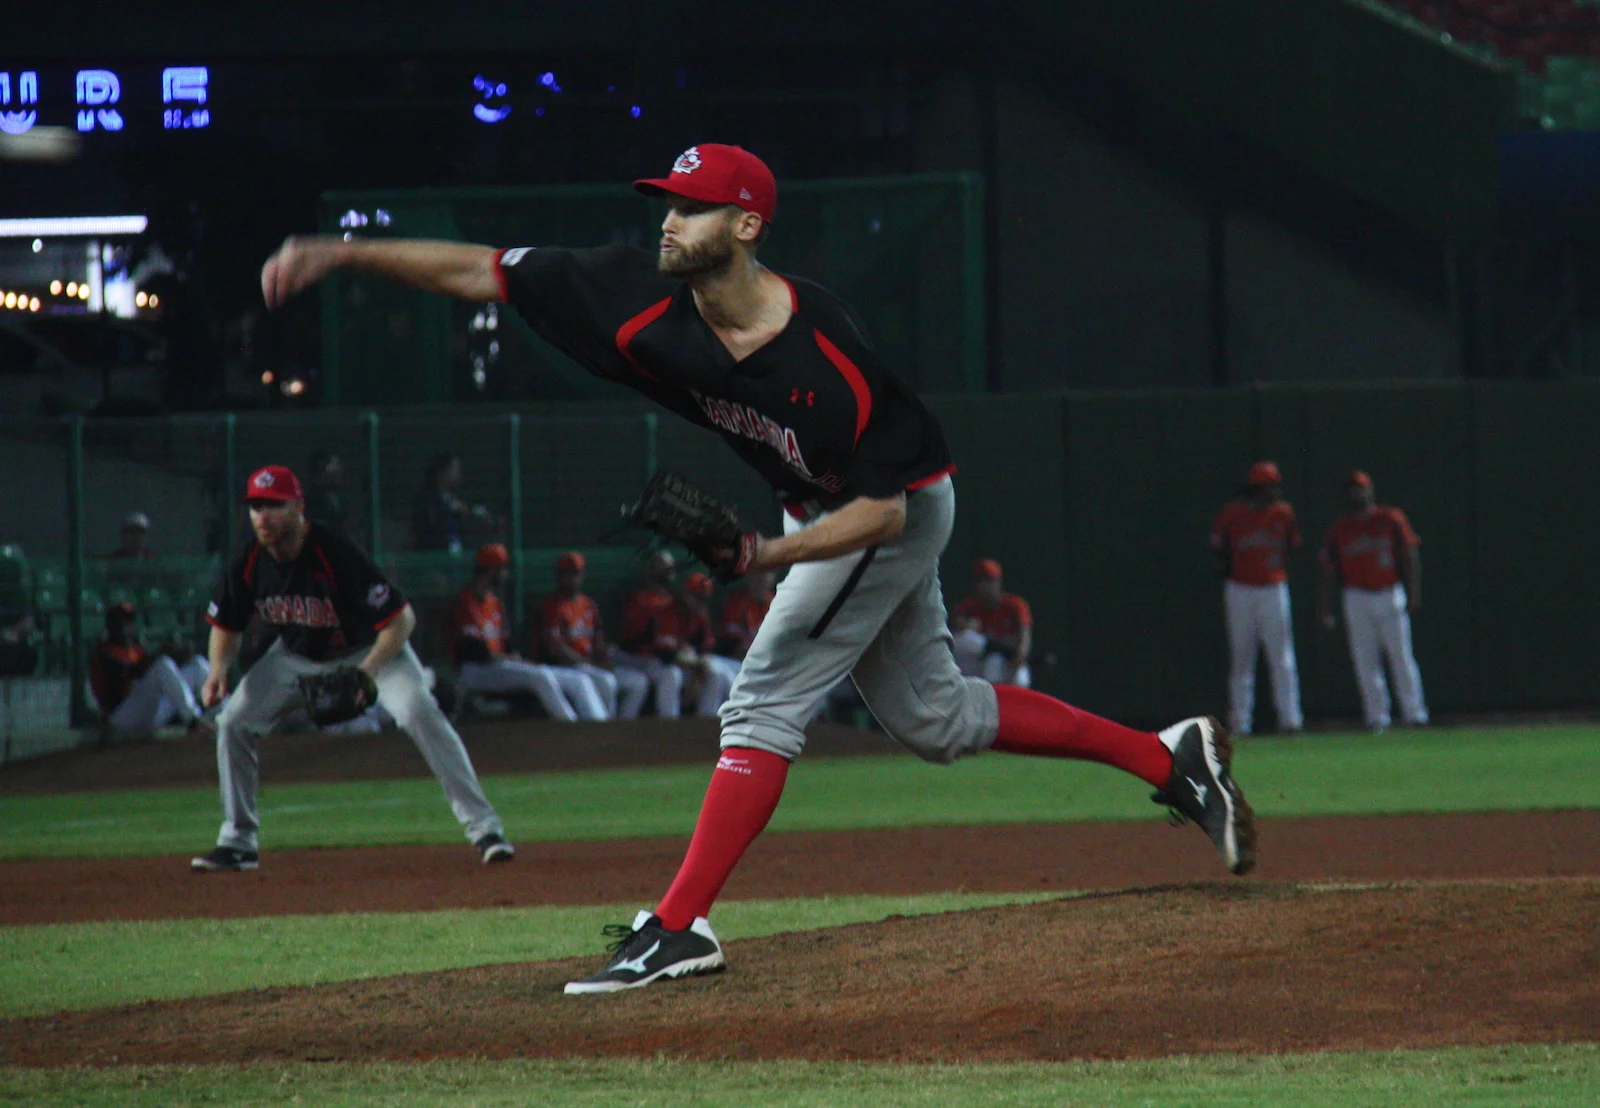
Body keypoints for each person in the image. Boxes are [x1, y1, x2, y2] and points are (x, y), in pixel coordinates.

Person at [258, 140, 1254, 996]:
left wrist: (764, 556)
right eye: (665, 202)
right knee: (935, 718)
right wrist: (341, 253)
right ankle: (1166, 756)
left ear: (744, 226)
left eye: (690, 207)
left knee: (763, 699)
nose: (667, 220)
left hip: (888, 512)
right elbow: (483, 271)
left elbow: (883, 511)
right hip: (818, 506)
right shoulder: (629, 294)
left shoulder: (827, 357)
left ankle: (679, 924)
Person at [192, 464, 513, 872]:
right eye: (256, 506)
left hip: (370, 650)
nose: (262, 515)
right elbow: (226, 624)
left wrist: (367, 672)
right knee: (233, 722)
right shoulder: (250, 560)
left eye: (273, 505)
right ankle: (238, 843)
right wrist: (218, 670)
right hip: (295, 657)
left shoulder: (333, 551)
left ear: (298, 508)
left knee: (419, 712)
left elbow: (401, 620)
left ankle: (485, 829)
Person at [1317, 470, 1428, 732]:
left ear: (1371, 491)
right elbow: (1328, 569)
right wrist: (1325, 606)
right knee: (1365, 659)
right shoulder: (1340, 528)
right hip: (1356, 596)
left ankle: (1414, 713)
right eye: (1353, 489)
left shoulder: (1390, 518)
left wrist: (1413, 593)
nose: (1358, 493)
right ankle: (1377, 716)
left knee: (1401, 656)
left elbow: (1409, 556)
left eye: (1362, 488)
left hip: (1389, 592)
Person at [447, 542, 606, 721]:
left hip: (498, 666)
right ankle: (570, 726)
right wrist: (507, 658)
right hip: (473, 671)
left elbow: (504, 645)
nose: (505, 573)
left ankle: (599, 726)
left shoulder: (494, 603)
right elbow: (472, 650)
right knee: (540, 676)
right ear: (491, 570)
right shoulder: (465, 602)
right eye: (502, 569)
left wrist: (513, 658)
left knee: (578, 680)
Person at [1209, 462, 1305, 736]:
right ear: (1257, 488)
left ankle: (1290, 719)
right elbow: (1218, 548)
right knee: (1242, 658)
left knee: (1282, 657)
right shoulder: (1232, 513)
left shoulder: (1283, 513)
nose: (1276, 491)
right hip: (1240, 589)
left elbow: (1292, 547)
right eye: (1271, 486)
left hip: (1274, 588)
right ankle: (1240, 722)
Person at [538, 550, 644, 720]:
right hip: (567, 667)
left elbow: (598, 642)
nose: (572, 578)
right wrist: (590, 663)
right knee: (605, 681)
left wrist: (604, 657)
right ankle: (605, 728)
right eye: (568, 573)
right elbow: (556, 649)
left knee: (637, 682)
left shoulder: (588, 604)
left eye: (576, 573)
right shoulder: (552, 606)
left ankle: (622, 725)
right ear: (559, 576)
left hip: (589, 665)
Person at [89, 602, 209, 734]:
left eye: (129, 622)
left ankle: (220, 714)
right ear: (111, 626)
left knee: (197, 663)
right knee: (162, 665)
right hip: (120, 717)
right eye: (122, 622)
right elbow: (127, 678)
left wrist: (178, 656)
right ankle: (193, 720)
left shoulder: (135, 650)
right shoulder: (103, 653)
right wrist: (160, 654)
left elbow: (150, 671)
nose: (127, 627)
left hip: (148, 713)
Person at [615, 550, 691, 719]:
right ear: (650, 570)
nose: (667, 572)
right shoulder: (639, 599)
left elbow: (678, 641)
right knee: (670, 674)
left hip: (658, 661)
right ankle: (668, 727)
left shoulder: (674, 602)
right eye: (662, 567)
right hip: (634, 659)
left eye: (669, 568)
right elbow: (630, 642)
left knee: (703, 674)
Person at [949, 558, 1033, 687]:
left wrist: (1019, 658)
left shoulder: (1015, 605)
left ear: (998, 582)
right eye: (981, 581)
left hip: (1009, 661)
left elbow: (1024, 637)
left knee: (1019, 680)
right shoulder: (971, 606)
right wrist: (966, 625)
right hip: (981, 663)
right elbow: (955, 629)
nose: (985, 586)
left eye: (989, 580)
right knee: (964, 639)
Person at [412, 452, 493, 553]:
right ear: (441, 473)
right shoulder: (426, 501)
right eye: (454, 470)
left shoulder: (455, 500)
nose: (458, 474)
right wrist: (448, 510)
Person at [681, 571, 737, 716]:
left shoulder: (701, 614)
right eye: (696, 597)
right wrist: (698, 668)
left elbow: (706, 650)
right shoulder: (673, 612)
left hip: (693, 667)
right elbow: (672, 653)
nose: (700, 603)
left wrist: (698, 672)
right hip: (668, 665)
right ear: (685, 594)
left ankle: (709, 721)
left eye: (703, 599)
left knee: (721, 676)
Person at [716, 569, 775, 662]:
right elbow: (727, 632)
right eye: (757, 575)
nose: (761, 579)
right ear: (749, 577)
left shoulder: (778, 604)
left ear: (772, 577)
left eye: (765, 574)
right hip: (737, 660)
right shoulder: (737, 601)